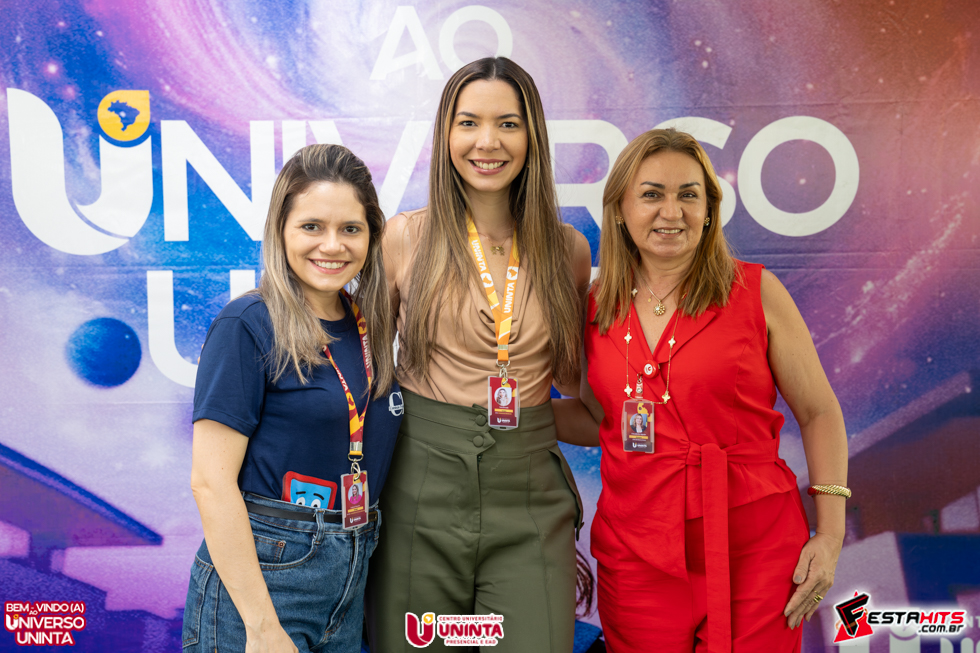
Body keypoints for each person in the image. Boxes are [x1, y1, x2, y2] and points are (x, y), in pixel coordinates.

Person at [555, 128, 848, 652]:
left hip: (755, 547)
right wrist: (500, 415)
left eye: (688, 195)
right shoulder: (593, 308)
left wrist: (829, 535)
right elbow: (602, 422)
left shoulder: (756, 291)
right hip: (636, 554)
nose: (671, 212)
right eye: (652, 194)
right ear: (619, 209)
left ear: (709, 209)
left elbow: (819, 412)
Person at [366, 57, 592, 652]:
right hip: (418, 488)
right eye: (468, 123)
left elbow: (578, 385)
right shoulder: (403, 238)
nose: (487, 142)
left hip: (529, 493)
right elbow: (364, 372)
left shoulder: (569, 250)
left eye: (507, 124)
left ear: (532, 136)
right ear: (446, 133)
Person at [182, 144, 402, 653]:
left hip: (349, 576)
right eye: (311, 226)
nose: (333, 245)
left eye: (351, 228)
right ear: (280, 231)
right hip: (265, 581)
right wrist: (261, 627)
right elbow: (210, 483)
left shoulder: (368, 327)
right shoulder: (248, 324)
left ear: (372, 236)